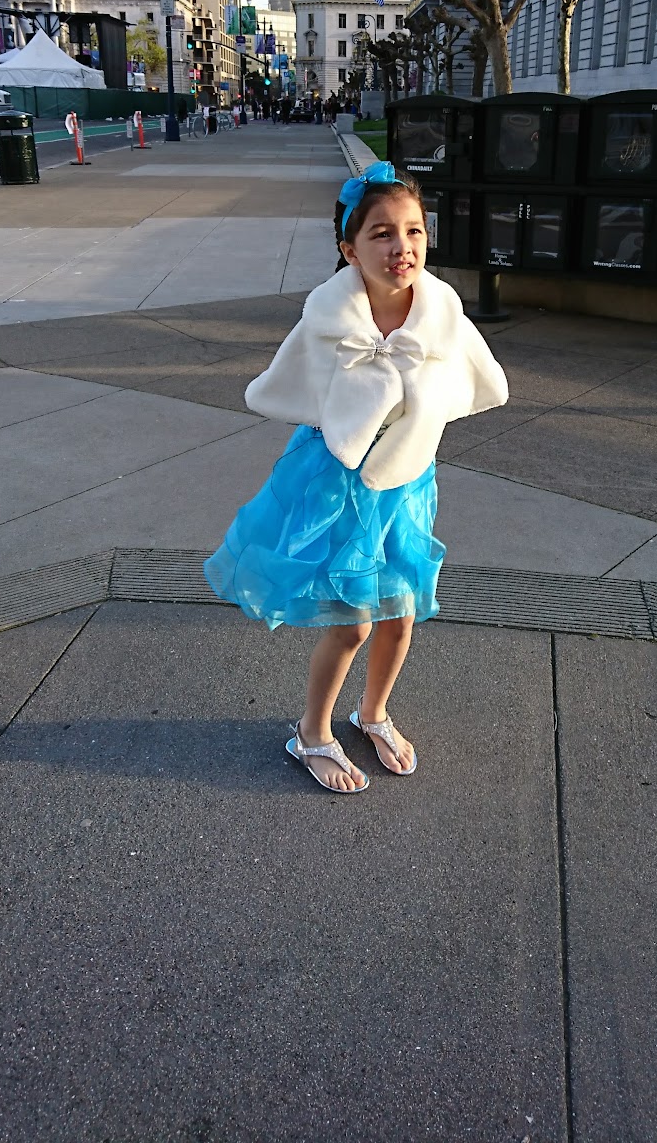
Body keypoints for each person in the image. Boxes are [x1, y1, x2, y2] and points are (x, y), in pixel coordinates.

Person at [203, 161, 508, 794]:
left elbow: (478, 382)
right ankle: (311, 732)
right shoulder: (328, 320)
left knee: (401, 614)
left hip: (406, 481)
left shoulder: (442, 314)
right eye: (382, 233)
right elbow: (283, 385)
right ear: (349, 249)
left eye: (414, 231)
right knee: (353, 622)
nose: (403, 247)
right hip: (335, 480)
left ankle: (373, 713)